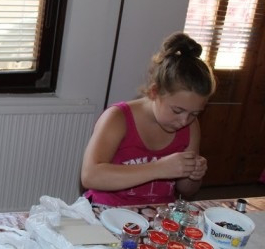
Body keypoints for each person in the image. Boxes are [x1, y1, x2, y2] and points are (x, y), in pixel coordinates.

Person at [81, 32, 216, 206]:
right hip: (108, 209)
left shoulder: (191, 126)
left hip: (159, 212)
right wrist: (159, 168)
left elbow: (187, 190)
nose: (184, 121)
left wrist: (193, 175)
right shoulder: (118, 118)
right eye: (177, 110)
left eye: (195, 114)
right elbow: (90, 176)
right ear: (154, 92)